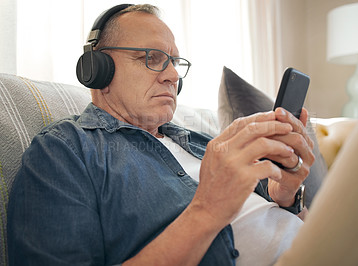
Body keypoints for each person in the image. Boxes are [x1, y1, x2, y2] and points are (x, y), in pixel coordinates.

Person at [7, 4, 315, 266]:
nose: (172, 76)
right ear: (97, 69)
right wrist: (208, 209)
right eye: (152, 58)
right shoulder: (65, 152)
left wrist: (286, 195)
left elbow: (284, 223)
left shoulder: (204, 144)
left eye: (174, 62)